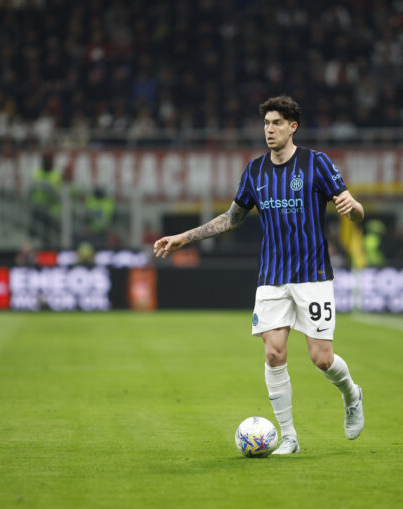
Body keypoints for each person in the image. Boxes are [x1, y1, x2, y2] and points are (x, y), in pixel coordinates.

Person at [154, 95, 365, 455]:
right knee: (273, 354)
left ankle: (351, 393)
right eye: (266, 123)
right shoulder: (254, 171)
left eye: (277, 123)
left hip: (313, 276)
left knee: (321, 359)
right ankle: (290, 438)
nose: (269, 129)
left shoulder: (316, 163)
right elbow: (231, 219)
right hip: (271, 277)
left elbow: (355, 210)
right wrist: (182, 239)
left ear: (292, 126)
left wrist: (354, 208)